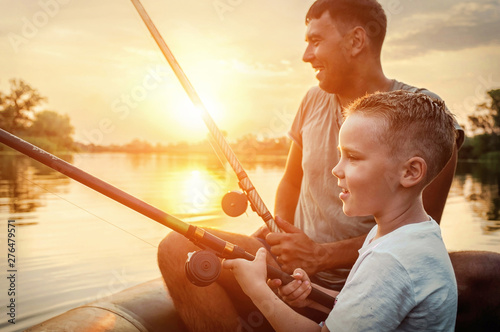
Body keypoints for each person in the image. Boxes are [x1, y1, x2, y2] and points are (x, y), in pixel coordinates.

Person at [157, 0, 464, 330]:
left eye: (316, 41)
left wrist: (320, 256)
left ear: (357, 41)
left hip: (352, 274)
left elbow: (419, 218)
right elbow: (290, 182)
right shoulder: (311, 100)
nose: (306, 55)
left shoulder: (423, 116)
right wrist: (281, 237)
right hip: (298, 268)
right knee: (177, 246)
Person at [224, 90, 459, 331]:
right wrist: (312, 292)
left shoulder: (391, 260)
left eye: (353, 157)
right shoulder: (408, 233)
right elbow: (364, 303)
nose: (336, 169)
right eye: (340, 155)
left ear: (410, 172)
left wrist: (257, 290)